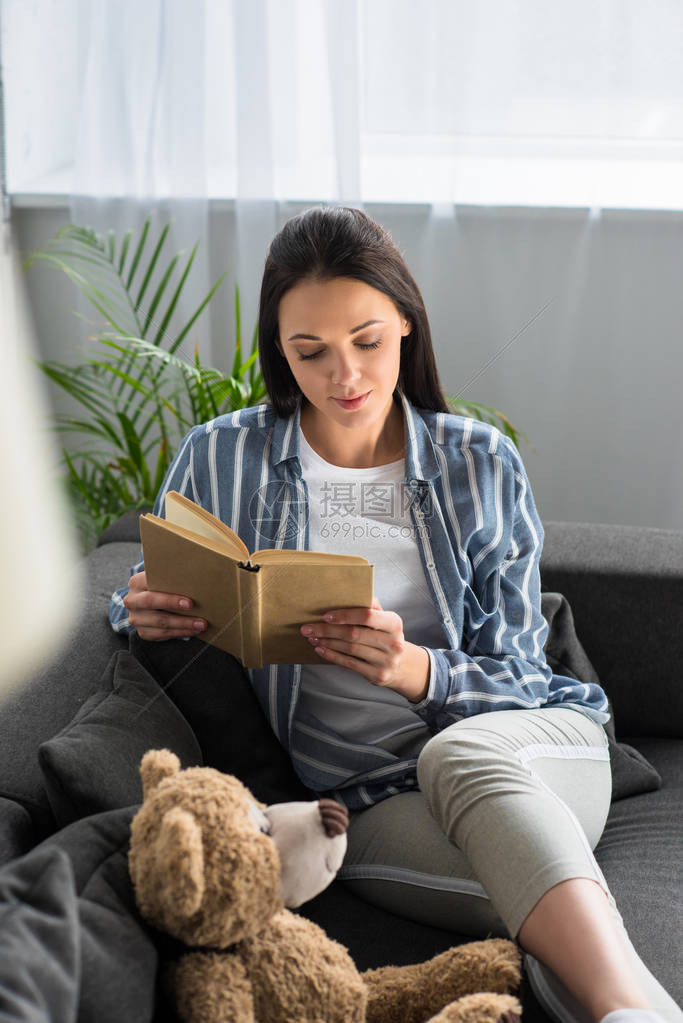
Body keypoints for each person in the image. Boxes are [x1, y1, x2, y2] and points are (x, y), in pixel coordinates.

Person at [110, 206, 680, 1023]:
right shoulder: (220, 458)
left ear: (406, 324)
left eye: (367, 341)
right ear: (280, 349)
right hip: (373, 800)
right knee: (525, 897)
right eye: (309, 352)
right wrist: (138, 605)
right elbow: (137, 583)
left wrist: (417, 669)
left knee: (455, 757)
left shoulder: (476, 460)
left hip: (538, 747)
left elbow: (525, 676)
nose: (343, 374)